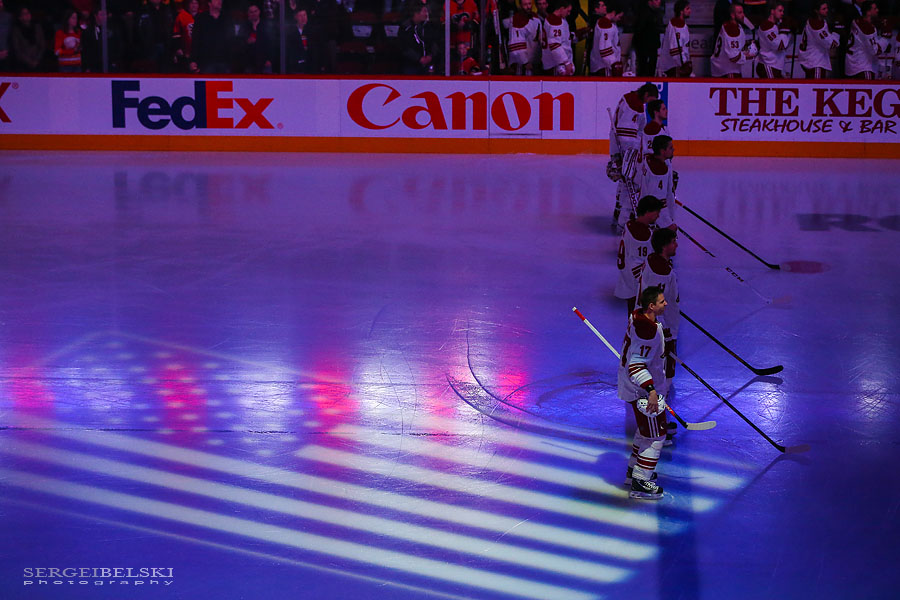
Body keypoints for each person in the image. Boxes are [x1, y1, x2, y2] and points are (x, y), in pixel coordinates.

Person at [618, 284, 670, 500]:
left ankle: (634, 471)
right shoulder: (647, 331)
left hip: (634, 385)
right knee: (655, 436)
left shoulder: (639, 316)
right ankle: (641, 481)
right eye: (661, 301)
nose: (666, 303)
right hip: (641, 388)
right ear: (651, 306)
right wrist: (650, 391)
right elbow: (637, 366)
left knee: (644, 431)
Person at [607, 82, 659, 229]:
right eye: (652, 99)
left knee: (624, 180)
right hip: (626, 149)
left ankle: (618, 213)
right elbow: (626, 135)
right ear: (647, 95)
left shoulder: (630, 98)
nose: (652, 103)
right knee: (628, 181)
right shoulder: (634, 104)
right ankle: (622, 219)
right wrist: (635, 151)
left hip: (619, 146)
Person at [639, 228, 680, 384]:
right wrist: (663, 327)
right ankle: (663, 393)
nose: (676, 245)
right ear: (664, 246)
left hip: (659, 322)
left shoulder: (652, 260)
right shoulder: (661, 271)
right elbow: (655, 303)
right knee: (664, 363)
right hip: (662, 324)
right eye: (673, 242)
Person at [614, 195, 663, 317]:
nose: (658, 216)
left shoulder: (631, 225)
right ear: (647, 212)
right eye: (656, 213)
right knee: (640, 319)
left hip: (627, 278)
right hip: (635, 282)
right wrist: (647, 286)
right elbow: (636, 263)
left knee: (634, 318)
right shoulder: (641, 234)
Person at [635, 135, 678, 230]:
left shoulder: (648, 159)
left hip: (643, 210)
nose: (673, 149)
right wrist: (668, 223)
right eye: (670, 148)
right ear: (662, 151)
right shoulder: (659, 171)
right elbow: (657, 203)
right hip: (652, 219)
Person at [710, 2, 757, 77]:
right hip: (727, 71)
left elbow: (737, 45)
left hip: (723, 69)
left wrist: (748, 43)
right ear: (732, 15)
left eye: (743, 12)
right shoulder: (732, 29)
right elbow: (734, 57)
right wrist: (748, 55)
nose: (743, 15)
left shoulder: (735, 26)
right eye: (740, 13)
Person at [845, 1, 888, 79]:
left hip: (852, 66)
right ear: (868, 12)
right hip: (863, 67)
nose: (877, 10)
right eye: (875, 9)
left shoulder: (856, 21)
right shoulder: (867, 28)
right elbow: (875, 51)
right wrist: (885, 38)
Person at [798, 1, 839, 78]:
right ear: (816, 11)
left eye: (827, 8)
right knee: (817, 87)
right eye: (823, 9)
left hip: (809, 59)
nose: (826, 10)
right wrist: (837, 33)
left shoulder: (813, 21)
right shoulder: (817, 24)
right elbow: (832, 44)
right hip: (815, 61)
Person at [191, 0, 233, 74]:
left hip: (224, 61)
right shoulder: (201, 18)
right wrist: (193, 60)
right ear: (209, 3)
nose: (220, 1)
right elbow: (195, 40)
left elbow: (231, 40)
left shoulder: (227, 18)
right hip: (206, 61)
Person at [398, 2, 439, 74]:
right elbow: (404, 47)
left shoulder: (429, 26)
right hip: (411, 65)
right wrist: (419, 58)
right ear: (416, 13)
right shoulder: (405, 27)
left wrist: (430, 56)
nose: (427, 14)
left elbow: (434, 42)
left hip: (428, 64)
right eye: (424, 11)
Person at [82, 7, 125, 72]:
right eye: (101, 14)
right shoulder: (89, 31)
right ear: (95, 16)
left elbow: (118, 45)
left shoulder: (112, 29)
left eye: (105, 14)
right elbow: (86, 50)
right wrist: (87, 66)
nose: (104, 17)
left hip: (110, 65)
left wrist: (115, 60)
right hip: (94, 67)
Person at [135, 0, 174, 72]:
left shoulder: (167, 9)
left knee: (165, 71)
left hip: (166, 46)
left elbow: (171, 27)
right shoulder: (143, 10)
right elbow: (138, 30)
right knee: (150, 71)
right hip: (149, 47)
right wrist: (144, 44)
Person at [236, 3, 274, 73]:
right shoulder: (244, 27)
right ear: (248, 13)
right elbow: (238, 44)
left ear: (259, 12)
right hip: (249, 64)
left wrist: (269, 59)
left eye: (255, 11)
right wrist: (246, 42)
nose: (253, 14)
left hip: (265, 63)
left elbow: (271, 43)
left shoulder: (265, 25)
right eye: (251, 12)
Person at [658, 0, 692, 77]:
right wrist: (683, 64)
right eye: (687, 8)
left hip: (676, 66)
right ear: (681, 11)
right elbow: (675, 50)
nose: (690, 11)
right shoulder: (676, 25)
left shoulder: (683, 25)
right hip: (672, 68)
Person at [756, 1, 790, 77]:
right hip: (768, 65)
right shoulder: (767, 26)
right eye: (780, 11)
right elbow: (780, 45)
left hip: (775, 65)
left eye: (783, 11)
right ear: (772, 11)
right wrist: (784, 31)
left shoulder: (775, 25)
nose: (782, 13)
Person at [589, 0, 623, 76]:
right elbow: (604, 49)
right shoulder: (605, 24)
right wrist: (614, 64)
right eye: (619, 16)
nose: (619, 19)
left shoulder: (608, 23)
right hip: (604, 67)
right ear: (614, 13)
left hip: (603, 66)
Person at [541, 0, 575, 75]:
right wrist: (566, 62)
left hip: (554, 64)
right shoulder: (555, 21)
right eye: (568, 11)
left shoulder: (557, 19)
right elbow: (554, 44)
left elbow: (565, 39)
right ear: (562, 8)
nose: (569, 14)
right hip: (555, 65)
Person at [508, 0, 541, 75]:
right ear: (520, 5)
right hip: (522, 65)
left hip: (534, 63)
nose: (528, 7)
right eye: (525, 4)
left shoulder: (536, 18)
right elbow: (515, 43)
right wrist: (525, 61)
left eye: (529, 4)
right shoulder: (517, 20)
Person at [10, 6, 46, 72]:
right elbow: (17, 49)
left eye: (28, 13)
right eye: (24, 13)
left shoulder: (37, 27)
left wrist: (37, 60)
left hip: (38, 63)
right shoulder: (16, 30)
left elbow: (42, 45)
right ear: (20, 17)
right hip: (23, 65)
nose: (27, 15)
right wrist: (29, 62)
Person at [632, 0, 663, 76]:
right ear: (650, 1)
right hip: (645, 48)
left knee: (651, 69)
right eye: (656, 0)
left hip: (652, 47)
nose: (659, 2)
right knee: (644, 69)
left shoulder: (656, 13)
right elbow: (639, 30)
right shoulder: (644, 13)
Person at [638, 99, 669, 164]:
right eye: (663, 109)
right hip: (654, 169)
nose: (666, 111)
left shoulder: (663, 128)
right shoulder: (652, 129)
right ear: (656, 112)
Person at [172, 0, 199, 73]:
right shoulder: (181, 16)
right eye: (191, 3)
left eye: (196, 3)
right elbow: (176, 34)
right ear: (188, 5)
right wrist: (177, 48)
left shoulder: (202, 16)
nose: (194, 5)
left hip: (199, 52)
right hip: (186, 54)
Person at [286, 7, 311, 73]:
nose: (303, 18)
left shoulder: (311, 31)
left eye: (305, 15)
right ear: (296, 17)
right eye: (300, 16)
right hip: (295, 67)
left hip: (309, 67)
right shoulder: (290, 32)